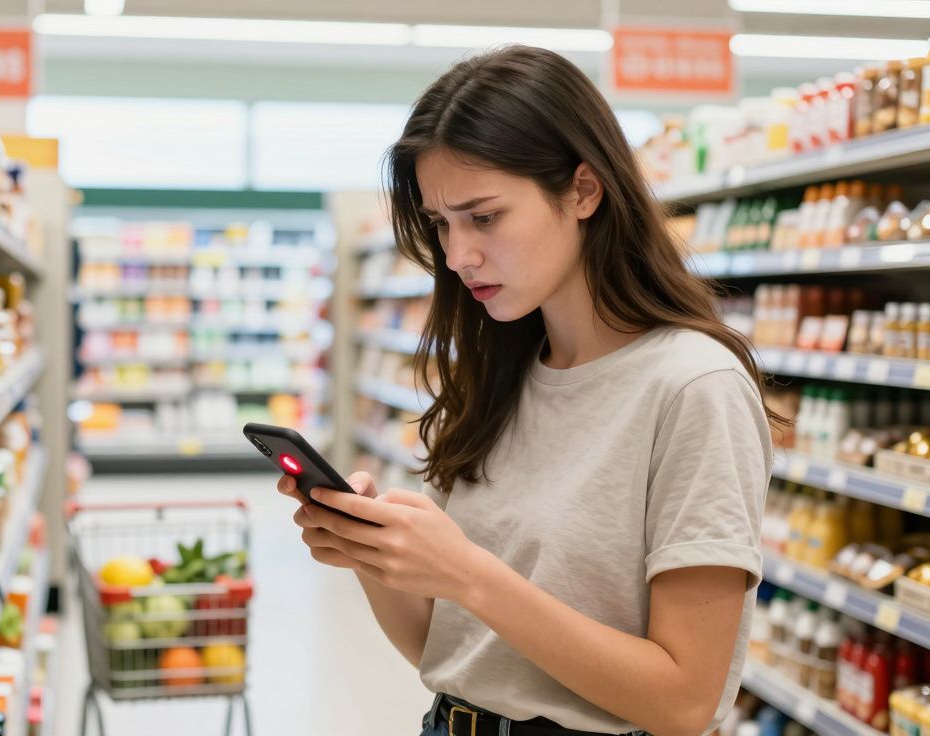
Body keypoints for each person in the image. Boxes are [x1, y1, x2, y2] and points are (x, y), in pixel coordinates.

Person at [277, 46, 779, 736]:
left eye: (484, 217)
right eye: (441, 224)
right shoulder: (502, 373)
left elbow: (685, 702)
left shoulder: (694, 387)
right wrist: (372, 553)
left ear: (583, 190)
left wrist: (468, 573)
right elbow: (447, 650)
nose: (458, 257)